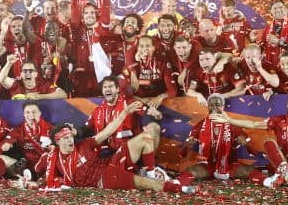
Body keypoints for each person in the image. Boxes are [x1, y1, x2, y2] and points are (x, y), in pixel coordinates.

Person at [35, 103, 194, 193]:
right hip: (104, 179)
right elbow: (38, 171)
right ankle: (177, 188)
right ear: (57, 142)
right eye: (66, 138)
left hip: (111, 162)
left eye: (70, 136)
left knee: (146, 137)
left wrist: (124, 112)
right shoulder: (52, 159)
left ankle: (150, 171)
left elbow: (107, 131)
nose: (70, 140)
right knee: (144, 183)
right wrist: (29, 180)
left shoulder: (83, 144)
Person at [178, 94, 278, 187]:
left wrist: (246, 144)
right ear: (208, 107)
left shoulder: (233, 125)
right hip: (207, 165)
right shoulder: (199, 126)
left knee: (248, 170)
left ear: (223, 106)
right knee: (192, 171)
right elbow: (182, 154)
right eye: (211, 105)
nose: (214, 107)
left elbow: (254, 151)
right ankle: (176, 185)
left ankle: (268, 182)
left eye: (217, 104)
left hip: (229, 165)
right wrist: (187, 146)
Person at [85, 76, 162, 159]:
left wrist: (156, 115)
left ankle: (146, 167)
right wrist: (75, 132)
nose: (107, 89)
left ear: (118, 89)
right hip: (108, 153)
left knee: (155, 128)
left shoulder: (128, 102)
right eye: (105, 87)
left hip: (130, 149)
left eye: (110, 87)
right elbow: (85, 129)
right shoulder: (97, 111)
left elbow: (149, 114)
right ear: (102, 91)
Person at [0, 100, 53, 180]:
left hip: (45, 165)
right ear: (24, 114)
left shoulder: (50, 128)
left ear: (39, 113)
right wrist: (5, 145)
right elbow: (5, 143)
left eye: (34, 112)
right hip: (25, 166)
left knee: (47, 157)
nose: (31, 115)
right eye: (27, 112)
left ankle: (35, 176)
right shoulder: (19, 130)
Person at [123, 35, 178, 109]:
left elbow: (173, 90)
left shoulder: (162, 63)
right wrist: (140, 100)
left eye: (147, 46)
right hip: (138, 103)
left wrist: (160, 97)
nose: (144, 49)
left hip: (159, 102)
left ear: (153, 48)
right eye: (141, 46)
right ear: (137, 48)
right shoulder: (131, 65)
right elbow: (123, 91)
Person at [0, 55, 67, 100]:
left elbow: (63, 94)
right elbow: (1, 79)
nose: (27, 73)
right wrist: (9, 63)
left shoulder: (43, 86)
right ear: (21, 74)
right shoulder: (16, 84)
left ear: (36, 74)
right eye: (24, 71)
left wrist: (40, 96)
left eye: (31, 71)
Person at [0, 15, 41, 79]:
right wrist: (3, 32)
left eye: (20, 26)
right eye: (13, 26)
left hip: (35, 80)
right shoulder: (10, 43)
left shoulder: (34, 40)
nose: (16, 28)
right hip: (19, 82)